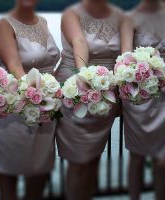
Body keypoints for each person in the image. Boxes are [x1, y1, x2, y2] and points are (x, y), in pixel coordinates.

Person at [0, 0, 60, 199]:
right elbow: (14, 66)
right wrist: (37, 96)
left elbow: (51, 64)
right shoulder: (4, 24)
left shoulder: (43, 22)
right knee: (9, 168)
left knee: (40, 168)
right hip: (15, 107)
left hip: (46, 106)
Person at [54, 0, 124, 199]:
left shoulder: (120, 16)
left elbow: (124, 55)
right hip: (76, 89)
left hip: (107, 91)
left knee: (92, 159)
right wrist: (85, 80)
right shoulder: (72, 13)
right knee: (79, 162)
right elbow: (80, 42)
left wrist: (122, 93)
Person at [121, 0, 165, 199]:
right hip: (139, 95)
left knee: (162, 161)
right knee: (137, 157)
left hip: (164, 97)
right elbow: (125, 60)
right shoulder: (130, 18)